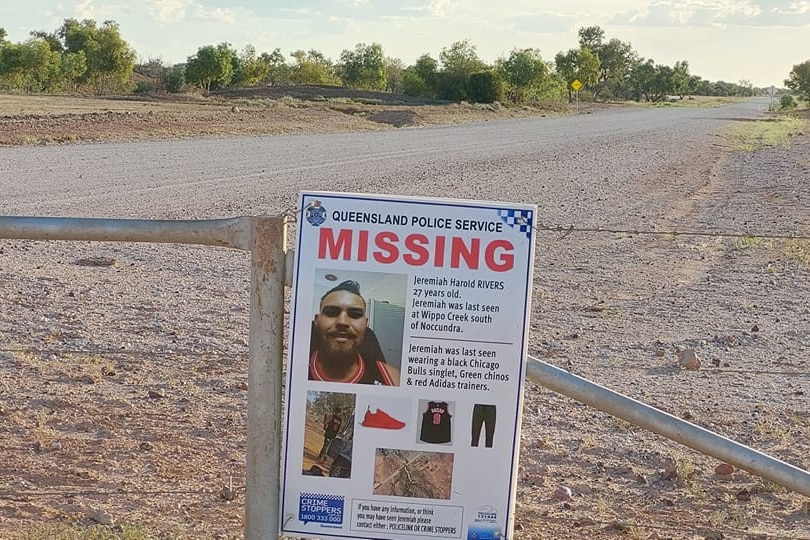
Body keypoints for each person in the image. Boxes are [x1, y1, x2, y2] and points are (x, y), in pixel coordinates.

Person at [308, 279, 400, 385]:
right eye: (331, 312)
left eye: (355, 314)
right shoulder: (295, 370)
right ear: (316, 321)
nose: (342, 322)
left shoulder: (392, 379)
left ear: (365, 324)